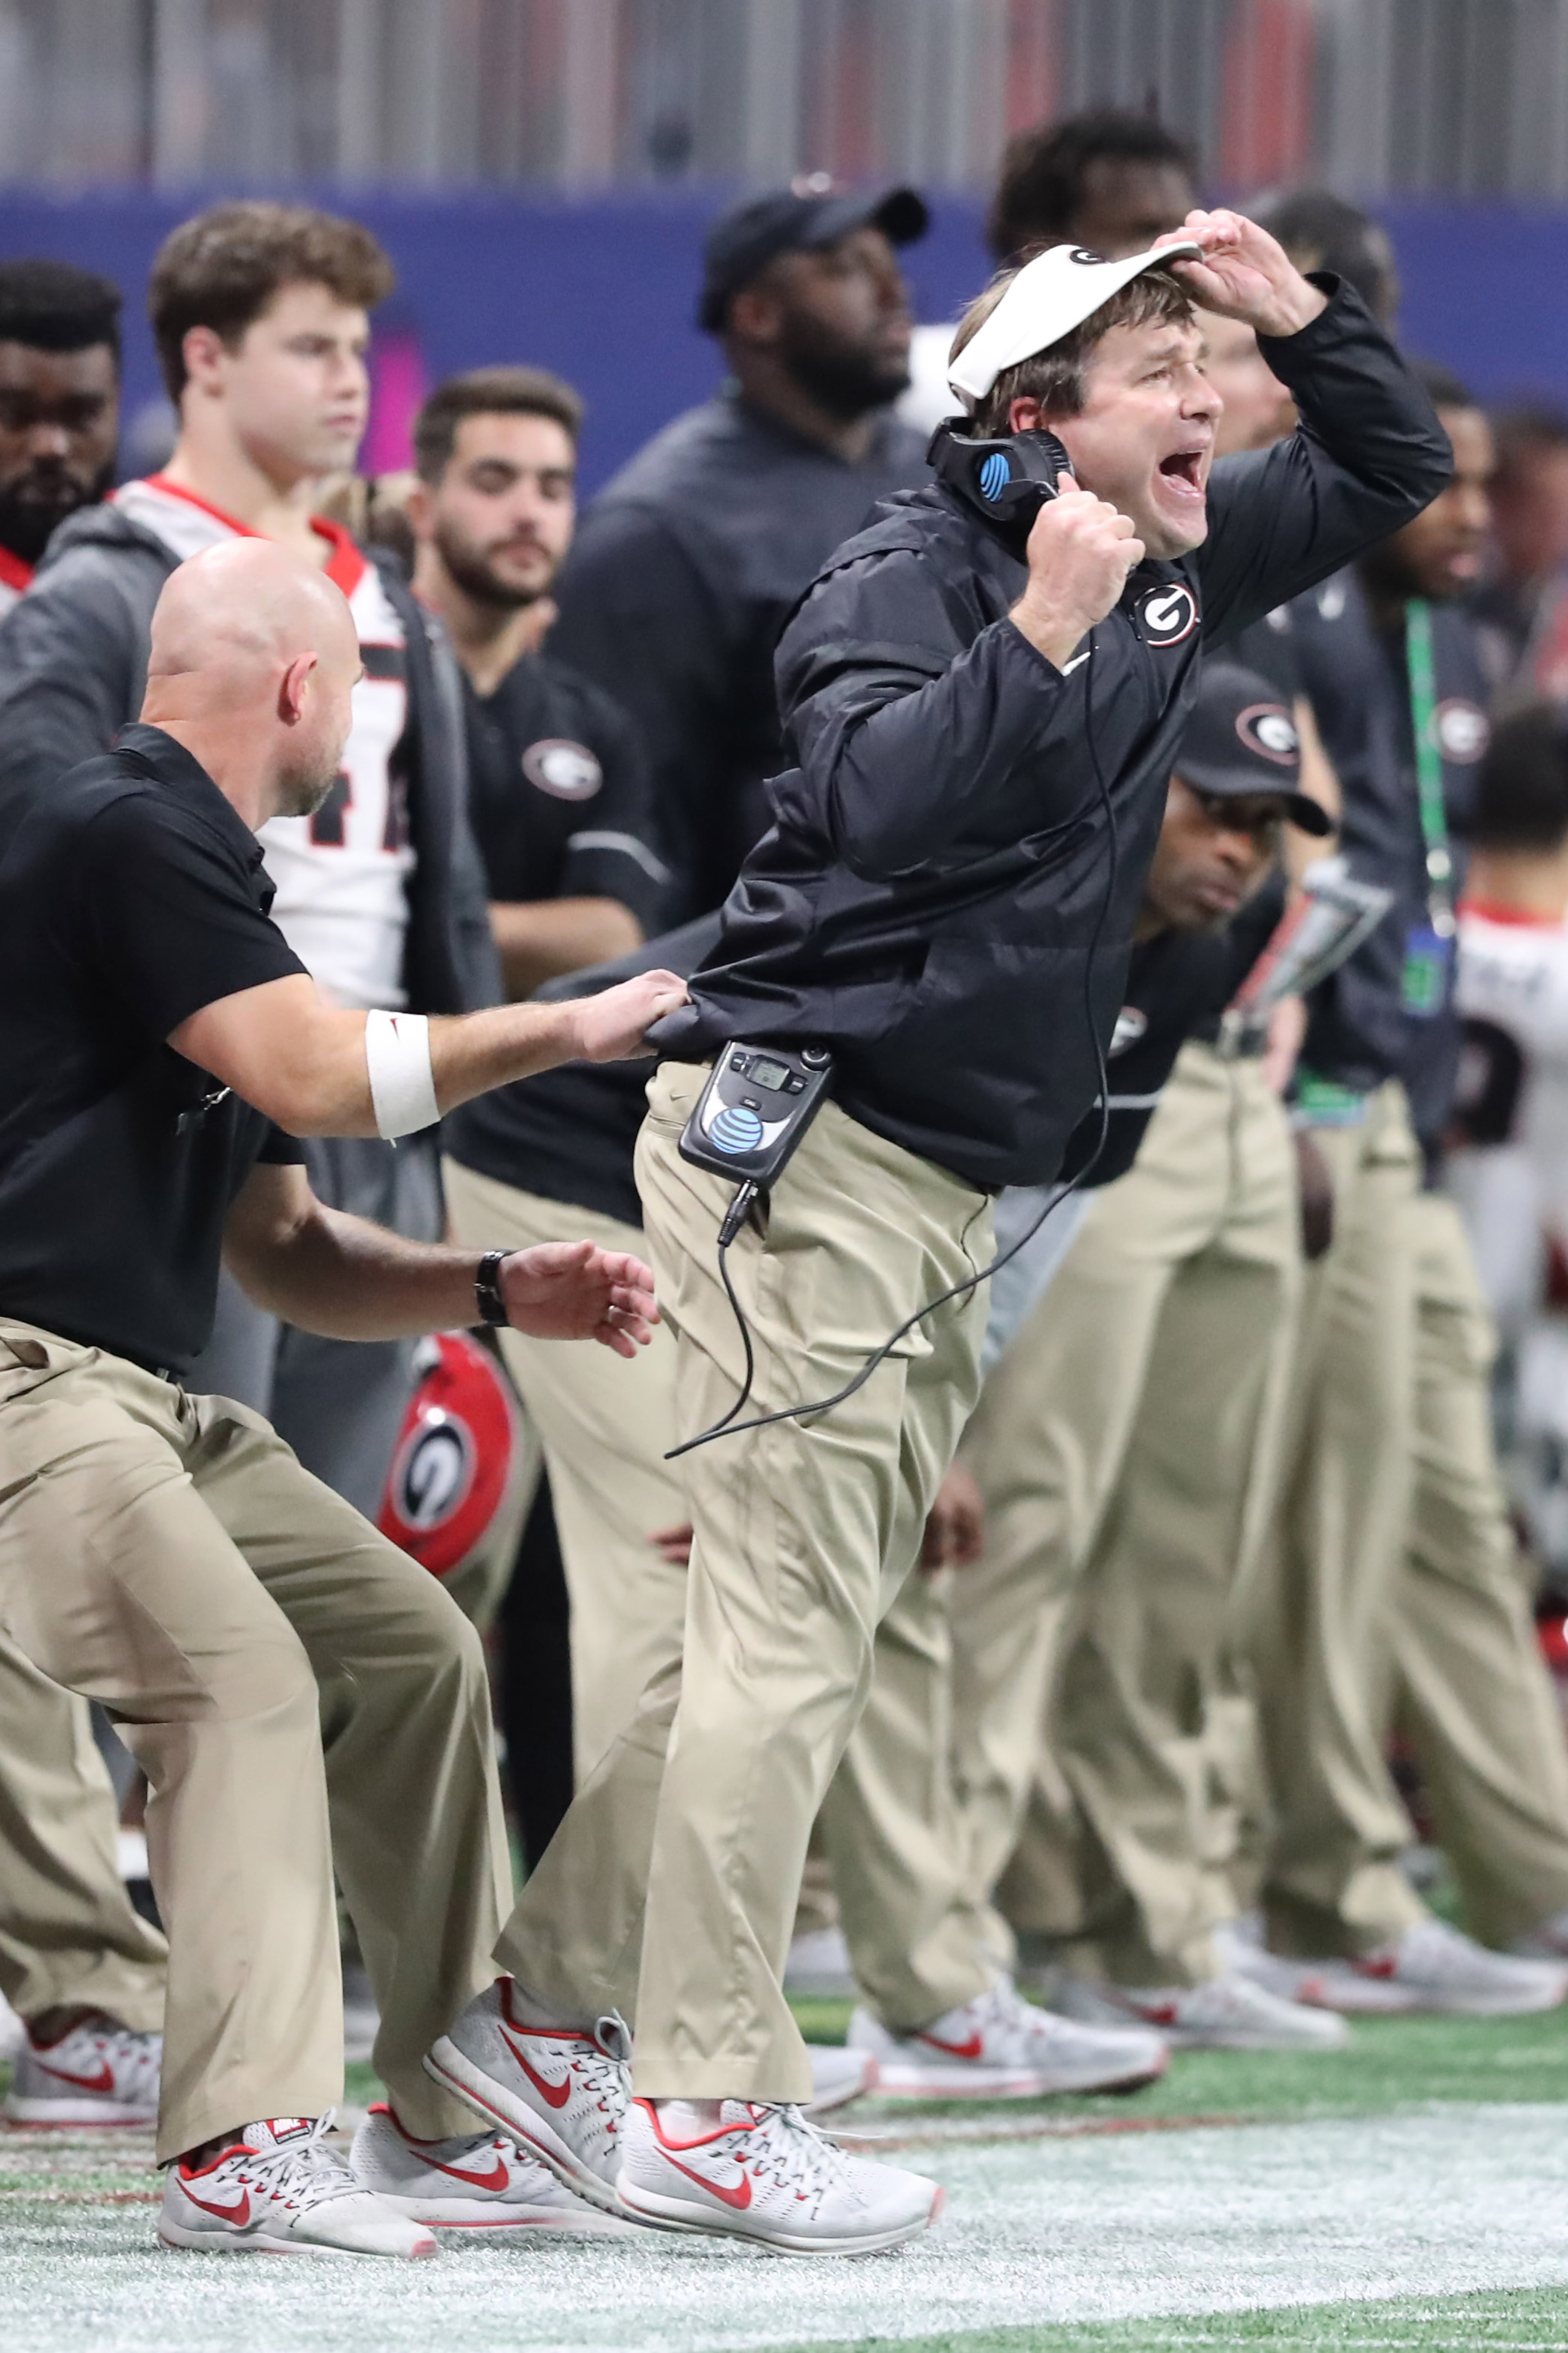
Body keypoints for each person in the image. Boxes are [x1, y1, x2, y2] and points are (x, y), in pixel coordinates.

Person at [416, 209, 1451, 2254]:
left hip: (946, 1177)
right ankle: (708, 2103)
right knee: (791, 1642)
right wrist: (1047, 636)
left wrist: (1297, 311)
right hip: (803, 1159)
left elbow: (1393, 472)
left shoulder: (1165, 549)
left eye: (1211, 374)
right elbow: (877, 807)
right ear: (1038, 416)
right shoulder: (902, 574)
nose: (1214, 409)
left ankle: (536, 2028)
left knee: (765, 1637)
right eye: (1166, 379)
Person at [0, 535, 682, 2255]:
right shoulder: (127, 823)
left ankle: (453, 2109)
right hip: (22, 1378)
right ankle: (240, 2148)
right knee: (234, 1684)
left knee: (407, 1647)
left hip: (135, 1393)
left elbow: (283, 1244)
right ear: (307, 691)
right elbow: (325, 1071)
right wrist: (563, 1027)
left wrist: (484, 1287)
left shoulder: (200, 884)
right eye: (363, 686)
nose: (368, 723)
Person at [0, 199, 497, 1522]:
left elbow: (435, 886)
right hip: (192, 1102)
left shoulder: (385, 592)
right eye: (313, 348)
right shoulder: (113, 580)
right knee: (156, 1545)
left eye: (358, 349)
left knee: (329, 1549)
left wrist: (456, 1115)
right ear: (206, 362)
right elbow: (44, 848)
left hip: (377, 1098)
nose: (351, 380)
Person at [935, 663, 1347, 2055]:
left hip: (1137, 1146)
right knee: (1020, 1538)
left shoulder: (1223, 922)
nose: (1240, 846)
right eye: (1213, 810)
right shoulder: (1044, 889)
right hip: (953, 1187)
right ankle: (950, 1943)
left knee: (1186, 1547)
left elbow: (1071, 1185)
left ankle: (1144, 1926)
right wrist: (945, 1411)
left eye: (1262, 824)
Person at [1236, 365, 1568, 2012]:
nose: (1474, 518)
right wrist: (1313, 1092)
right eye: (1442, 485)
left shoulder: (1445, 643)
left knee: (1435, 1515)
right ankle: (1307, 1880)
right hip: (1316, 1106)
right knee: (1302, 1526)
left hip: (1404, 1127)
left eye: (1487, 485)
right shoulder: (1303, 624)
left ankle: (1529, 1874)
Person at [546, 178, 931, 922]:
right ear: (757, 315)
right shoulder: (661, 532)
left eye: (891, 264)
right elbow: (640, 833)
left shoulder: (947, 472)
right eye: (849, 268)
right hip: (780, 978)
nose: (894, 292)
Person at [408, 365, 668, 997]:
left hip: (521, 1079)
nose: (528, 514)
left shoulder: (595, 725)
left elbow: (612, 937)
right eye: (494, 483)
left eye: (552, 490)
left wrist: (418, 923)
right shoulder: (359, 688)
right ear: (423, 508)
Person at [902, 109, 1200, 434]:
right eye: (1145, 231)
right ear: (1037, 242)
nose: (1174, 248)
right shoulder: (928, 391)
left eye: (1182, 228)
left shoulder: (1214, 378)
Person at [0, 258, 122, 617]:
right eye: (16, 416)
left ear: (116, 405)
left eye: (80, 416)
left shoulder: (170, 574)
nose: (50, 448)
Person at [1466, 405, 1568, 694]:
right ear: (1497, 502)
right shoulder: (1450, 608)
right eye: (1543, 503)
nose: (1557, 521)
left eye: (1564, 500)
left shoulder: (1559, 608)